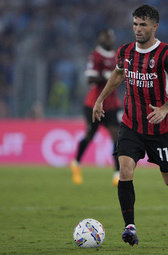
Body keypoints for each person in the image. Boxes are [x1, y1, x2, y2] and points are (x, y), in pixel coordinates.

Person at [92, 5, 168, 246]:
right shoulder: (125, 51)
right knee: (125, 168)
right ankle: (130, 227)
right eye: (135, 24)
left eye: (143, 25)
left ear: (155, 26)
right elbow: (117, 75)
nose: (137, 29)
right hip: (131, 124)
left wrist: (165, 108)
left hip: (160, 128)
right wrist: (100, 99)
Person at [70, 29, 122, 186]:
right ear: (100, 39)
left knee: (117, 136)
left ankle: (117, 173)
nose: (107, 40)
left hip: (112, 104)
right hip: (94, 103)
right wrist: (107, 76)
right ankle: (76, 163)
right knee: (90, 135)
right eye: (104, 37)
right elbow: (90, 78)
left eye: (109, 38)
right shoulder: (95, 56)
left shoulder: (117, 55)